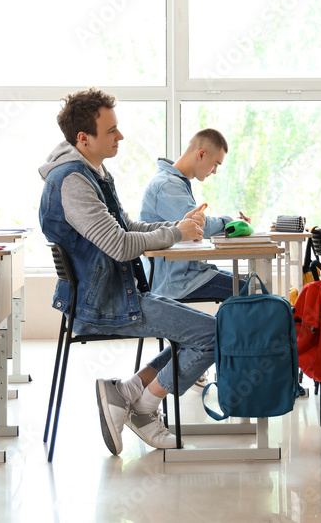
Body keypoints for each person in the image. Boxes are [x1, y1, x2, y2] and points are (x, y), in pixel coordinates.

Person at [38, 88, 216, 455]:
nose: (121, 137)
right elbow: (118, 245)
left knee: (210, 332)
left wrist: (175, 227)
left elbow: (126, 228)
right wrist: (175, 234)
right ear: (83, 139)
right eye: (112, 131)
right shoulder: (73, 181)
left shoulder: (93, 173)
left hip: (118, 295)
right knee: (214, 335)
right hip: (104, 305)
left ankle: (128, 393)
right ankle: (143, 407)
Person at [140, 128, 248, 301]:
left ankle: (227, 327)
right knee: (250, 291)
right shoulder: (168, 185)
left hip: (188, 273)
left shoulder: (176, 182)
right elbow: (198, 228)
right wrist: (229, 223)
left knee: (250, 285)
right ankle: (226, 328)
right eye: (215, 164)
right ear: (201, 154)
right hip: (176, 281)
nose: (214, 171)